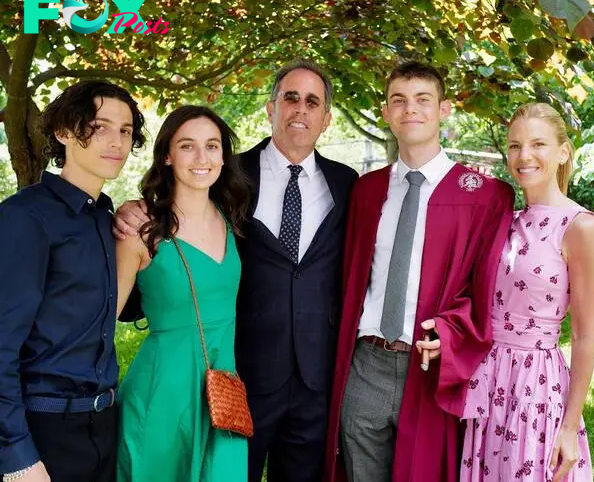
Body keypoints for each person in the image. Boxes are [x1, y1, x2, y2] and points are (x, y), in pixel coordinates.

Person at [114, 59, 358, 482]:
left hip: (313, 377)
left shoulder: (346, 183)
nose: (301, 109)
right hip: (237, 370)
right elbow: (175, 220)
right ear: (271, 107)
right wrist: (133, 210)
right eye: (291, 98)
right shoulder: (231, 176)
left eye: (313, 102)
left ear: (326, 118)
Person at [323, 61, 515, 482]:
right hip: (367, 362)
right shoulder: (367, 190)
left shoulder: (484, 196)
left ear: (444, 109)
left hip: (431, 367)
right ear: (387, 112)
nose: (411, 109)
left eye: (423, 99)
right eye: (399, 100)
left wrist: (448, 332)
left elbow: (485, 291)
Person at [0, 80, 145, 482]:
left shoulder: (103, 217)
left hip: (103, 426)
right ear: (63, 132)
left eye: (126, 130)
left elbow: (113, 308)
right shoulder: (26, 218)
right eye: (100, 126)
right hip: (45, 431)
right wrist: (16, 456)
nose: (116, 141)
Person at [460, 103, 594, 482]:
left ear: (563, 151)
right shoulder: (505, 219)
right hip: (491, 381)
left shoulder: (580, 227)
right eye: (514, 145)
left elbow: (586, 336)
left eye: (538, 144)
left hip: (536, 389)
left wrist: (569, 428)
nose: (524, 156)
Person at [114, 105, 252, 482]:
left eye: (212, 146)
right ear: (167, 156)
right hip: (162, 395)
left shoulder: (232, 219)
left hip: (223, 394)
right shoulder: (141, 231)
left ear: (223, 156)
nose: (201, 158)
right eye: (187, 146)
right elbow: (100, 324)